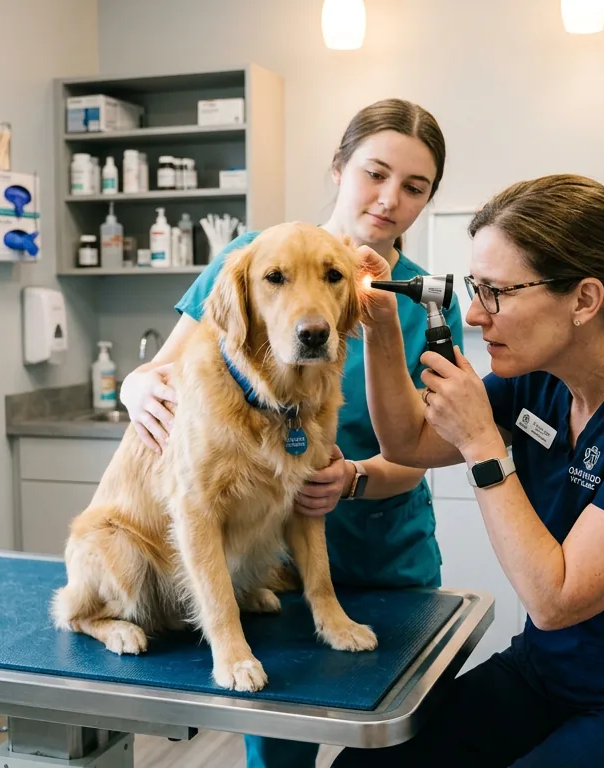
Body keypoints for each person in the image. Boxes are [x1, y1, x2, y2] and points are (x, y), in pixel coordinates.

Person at [334, 174, 604, 767]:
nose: (475, 315)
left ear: (584, 300)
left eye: (496, 293)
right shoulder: (539, 381)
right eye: (476, 289)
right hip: (550, 674)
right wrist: (381, 324)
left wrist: (483, 442)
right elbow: (408, 442)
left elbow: (554, 599)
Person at [116, 98, 464, 768]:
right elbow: (168, 372)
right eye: (375, 173)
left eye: (414, 186)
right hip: (266, 568)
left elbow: (429, 449)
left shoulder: (422, 301)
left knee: (398, 751)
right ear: (339, 168)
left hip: (388, 559)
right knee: (279, 754)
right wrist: (134, 386)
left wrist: (353, 478)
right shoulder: (253, 259)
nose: (389, 199)